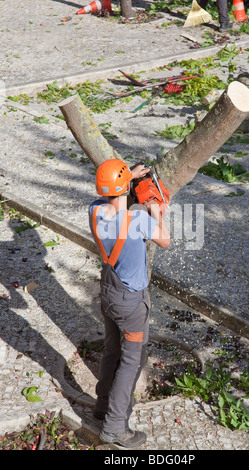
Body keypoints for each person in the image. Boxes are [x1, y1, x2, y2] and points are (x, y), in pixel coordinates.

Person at [89, 159, 170, 448]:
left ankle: (101, 405)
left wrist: (128, 178)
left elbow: (110, 200)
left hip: (108, 292)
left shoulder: (95, 212)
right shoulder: (139, 220)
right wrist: (157, 212)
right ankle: (114, 427)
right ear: (125, 188)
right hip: (131, 303)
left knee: (112, 348)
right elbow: (165, 240)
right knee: (132, 360)